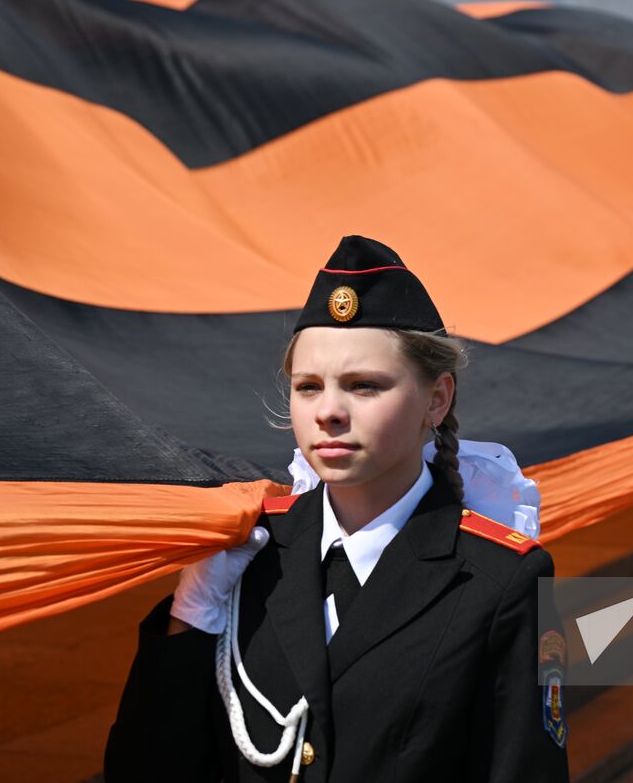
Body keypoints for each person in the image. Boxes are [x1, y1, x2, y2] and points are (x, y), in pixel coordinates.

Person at [105, 236, 570, 782]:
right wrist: (191, 620)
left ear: (437, 400)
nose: (328, 412)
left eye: (364, 386)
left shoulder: (499, 581)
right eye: (308, 387)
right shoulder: (248, 556)